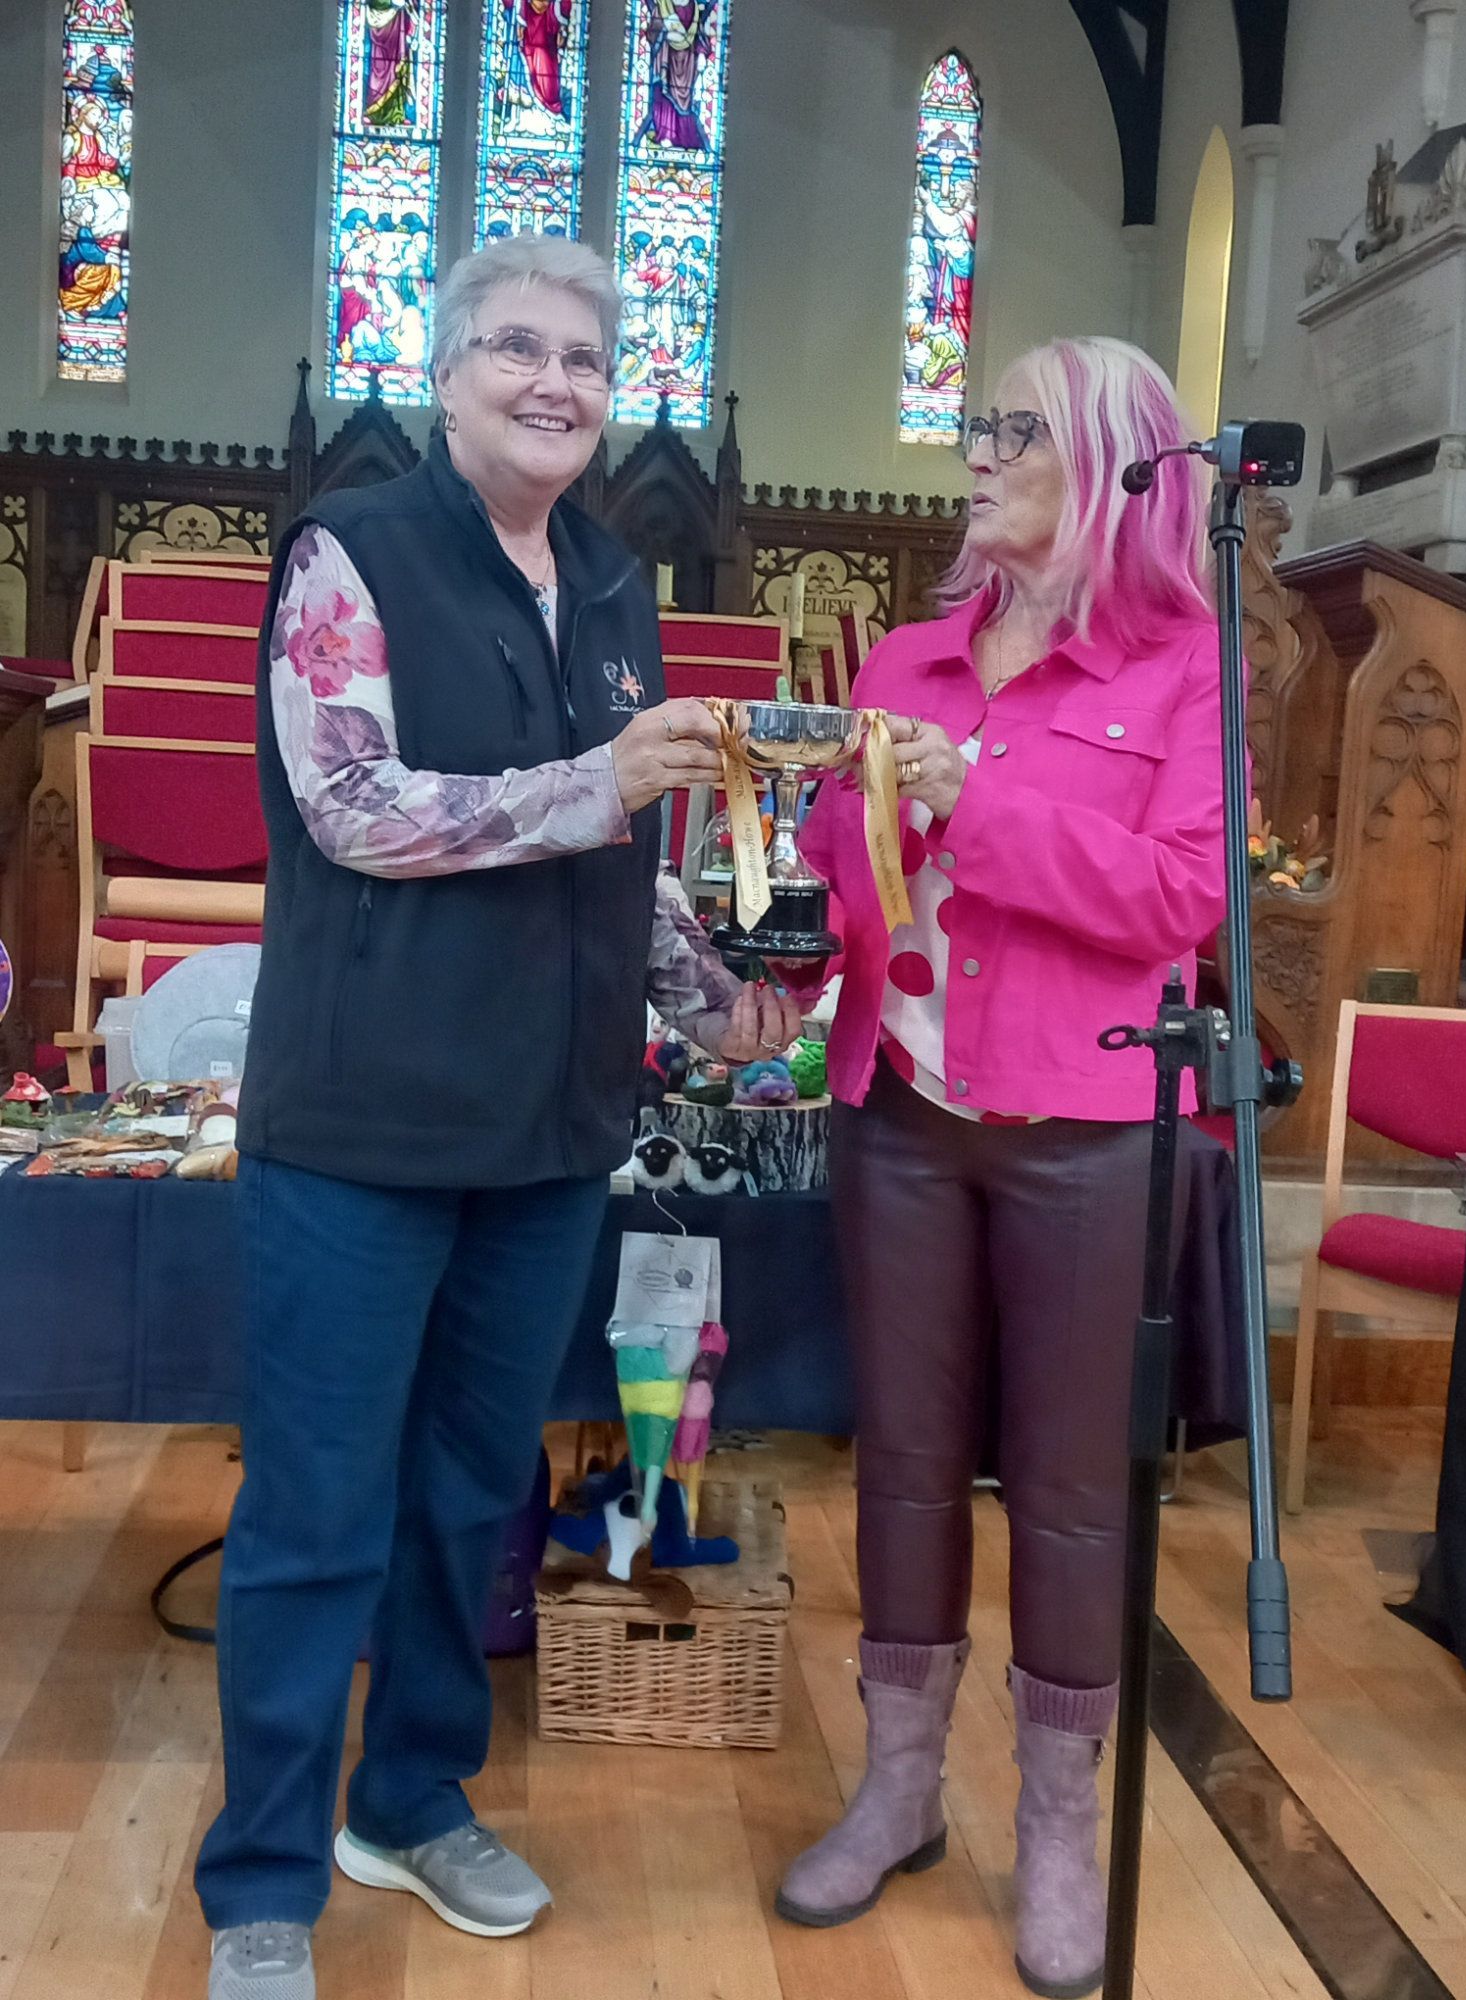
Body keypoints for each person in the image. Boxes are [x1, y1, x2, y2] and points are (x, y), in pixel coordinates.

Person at [195, 233, 797, 2000]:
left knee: (471, 1498)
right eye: (517, 350)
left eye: (586, 363)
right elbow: (358, 809)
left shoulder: (614, 581)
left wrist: (718, 1006)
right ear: (446, 372)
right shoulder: (350, 551)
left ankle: (413, 1793)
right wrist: (600, 782)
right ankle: (263, 1880)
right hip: (365, 1125)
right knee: (318, 1512)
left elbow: (628, 851)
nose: (554, 384)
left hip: (548, 1130)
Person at [774, 336, 1227, 1999]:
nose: (974, 454)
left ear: (1109, 457)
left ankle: (1054, 1821)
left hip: (1087, 1128)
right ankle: (899, 1787)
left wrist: (982, 806)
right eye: (974, 427)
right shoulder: (901, 661)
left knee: (1068, 1487)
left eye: (1008, 429)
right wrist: (774, 932)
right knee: (897, 1458)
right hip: (900, 1104)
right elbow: (837, 874)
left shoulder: (1184, 666)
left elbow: (1180, 903)